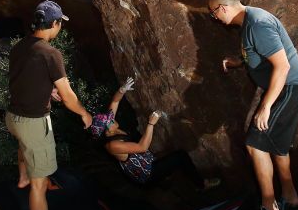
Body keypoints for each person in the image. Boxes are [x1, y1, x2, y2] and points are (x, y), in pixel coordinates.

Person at [208, 0, 298, 210]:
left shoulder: (258, 24)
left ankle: (269, 208)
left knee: (255, 144)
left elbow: (282, 66)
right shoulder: (250, 21)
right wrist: (238, 61)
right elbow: (259, 52)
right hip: (289, 87)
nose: (214, 18)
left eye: (213, 13)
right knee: (277, 145)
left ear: (222, 7)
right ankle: (291, 196)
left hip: (289, 87)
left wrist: (265, 106)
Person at [5, 0, 93, 210]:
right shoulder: (51, 53)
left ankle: (23, 176)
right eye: (59, 24)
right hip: (33, 123)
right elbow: (68, 98)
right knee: (40, 185)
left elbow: (24, 79)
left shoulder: (20, 46)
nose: (60, 28)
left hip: (12, 118)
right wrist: (84, 113)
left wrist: (46, 91)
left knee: (24, 145)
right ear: (54, 23)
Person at [88, 77, 220, 190]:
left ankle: (167, 179)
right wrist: (151, 124)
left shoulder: (110, 129)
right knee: (180, 156)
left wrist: (122, 90)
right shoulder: (113, 145)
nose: (111, 117)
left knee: (166, 157)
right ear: (107, 130)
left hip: (147, 161)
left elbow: (115, 101)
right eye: (109, 120)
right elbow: (142, 147)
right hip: (147, 174)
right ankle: (202, 185)